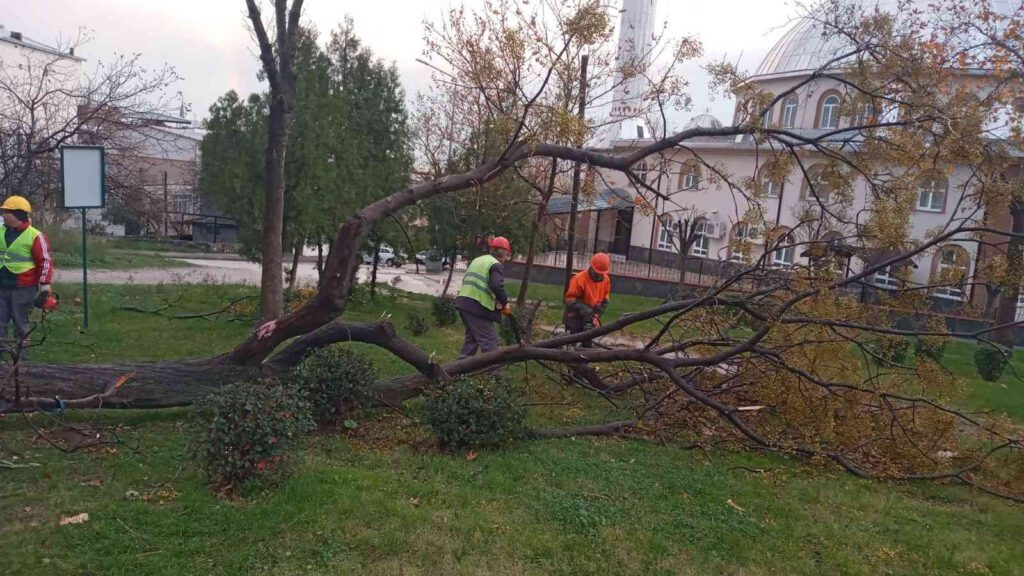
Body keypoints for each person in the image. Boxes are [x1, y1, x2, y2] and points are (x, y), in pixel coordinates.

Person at [0, 195, 54, 344]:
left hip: (23, 288)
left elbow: (45, 261)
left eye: (7, 212)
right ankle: (3, 357)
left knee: (20, 323)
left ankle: (21, 357)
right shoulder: (0, 231)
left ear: (18, 214)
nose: (3, 215)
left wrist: (45, 285)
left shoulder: (35, 236)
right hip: (1, 286)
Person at [455, 236, 512, 359]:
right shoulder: (495, 265)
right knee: (490, 340)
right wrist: (505, 302)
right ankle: (495, 375)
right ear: (504, 254)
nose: (506, 259)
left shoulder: (478, 260)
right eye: (507, 256)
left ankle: (459, 371)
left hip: (464, 302)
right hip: (477, 305)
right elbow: (496, 285)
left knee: (472, 340)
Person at [564, 252, 611, 347]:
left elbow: (604, 301)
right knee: (572, 343)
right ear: (591, 268)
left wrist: (597, 315)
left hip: (590, 316)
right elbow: (570, 299)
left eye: (601, 274)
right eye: (597, 273)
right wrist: (585, 309)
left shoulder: (606, 280)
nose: (599, 276)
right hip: (574, 316)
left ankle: (585, 358)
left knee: (587, 342)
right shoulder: (579, 279)